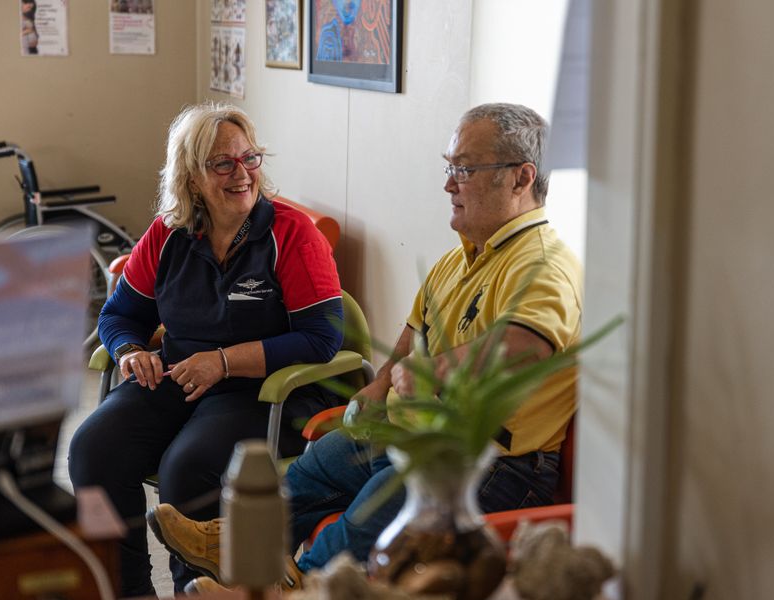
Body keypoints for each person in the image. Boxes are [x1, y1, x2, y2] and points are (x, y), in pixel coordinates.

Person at [146, 102, 583, 593]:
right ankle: (233, 549)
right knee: (307, 475)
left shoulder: (544, 264)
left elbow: (526, 346)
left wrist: (437, 370)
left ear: (521, 177)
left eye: (464, 169)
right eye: (449, 167)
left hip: (490, 463)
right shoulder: (458, 259)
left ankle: (295, 587)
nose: (448, 184)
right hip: (413, 432)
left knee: (359, 525)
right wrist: (378, 385)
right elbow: (411, 335)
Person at [68, 103, 344, 597]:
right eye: (223, 164)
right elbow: (118, 315)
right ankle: (126, 588)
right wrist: (130, 349)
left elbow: (322, 338)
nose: (242, 174)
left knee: (187, 467)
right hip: (181, 378)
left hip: (265, 391)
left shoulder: (291, 233)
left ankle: (193, 592)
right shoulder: (169, 233)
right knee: (92, 450)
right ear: (192, 178)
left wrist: (223, 362)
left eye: (250, 159)